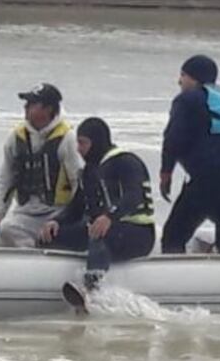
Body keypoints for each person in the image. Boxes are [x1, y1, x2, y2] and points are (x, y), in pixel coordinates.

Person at [38, 117, 155, 289]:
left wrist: (109, 216)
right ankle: (50, 283)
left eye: (83, 143)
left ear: (97, 142)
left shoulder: (126, 162)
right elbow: (76, 207)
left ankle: (92, 289)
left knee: (98, 235)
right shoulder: (90, 171)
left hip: (138, 233)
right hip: (103, 230)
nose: (78, 150)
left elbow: (134, 195)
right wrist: (56, 221)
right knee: (51, 235)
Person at [160, 55, 220, 254]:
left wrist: (166, 173)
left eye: (183, 75)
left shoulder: (187, 99)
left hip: (210, 180)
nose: (179, 81)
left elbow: (173, 137)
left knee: (173, 237)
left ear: (193, 78)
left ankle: (175, 282)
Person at [0, 83, 84, 247]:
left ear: (48, 109)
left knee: (58, 234)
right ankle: (31, 254)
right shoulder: (15, 138)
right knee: (7, 227)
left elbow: (79, 182)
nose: (26, 107)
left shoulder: (67, 139)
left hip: (59, 212)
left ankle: (40, 255)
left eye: (32, 104)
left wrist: (75, 217)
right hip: (26, 213)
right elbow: (6, 180)